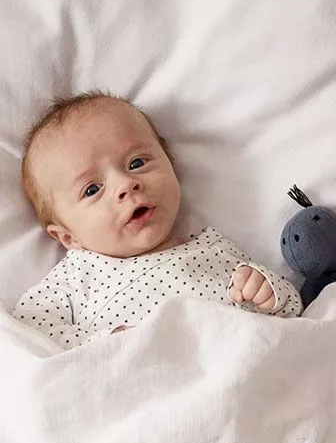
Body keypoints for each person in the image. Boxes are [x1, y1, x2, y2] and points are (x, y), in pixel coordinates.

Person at [12, 91, 302, 349]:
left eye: (136, 163)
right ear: (68, 237)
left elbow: (292, 311)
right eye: (92, 189)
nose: (125, 184)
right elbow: (29, 334)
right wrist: (104, 343)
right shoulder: (78, 274)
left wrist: (268, 290)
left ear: (170, 164)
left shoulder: (213, 247)